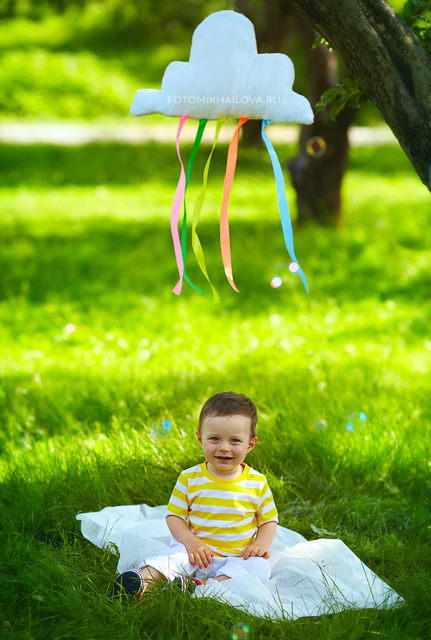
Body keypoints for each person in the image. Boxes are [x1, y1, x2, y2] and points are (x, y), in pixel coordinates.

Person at [108, 391, 279, 600]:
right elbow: (175, 516)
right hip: (195, 552)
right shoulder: (190, 478)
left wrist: (260, 544)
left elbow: (268, 520)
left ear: (250, 444)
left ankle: (201, 586)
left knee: (260, 568)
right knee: (173, 559)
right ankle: (141, 581)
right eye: (214, 439)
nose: (224, 447)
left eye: (234, 440)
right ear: (200, 438)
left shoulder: (257, 482)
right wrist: (190, 541)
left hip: (238, 556)